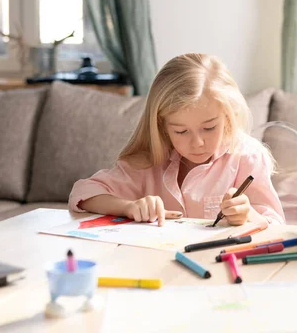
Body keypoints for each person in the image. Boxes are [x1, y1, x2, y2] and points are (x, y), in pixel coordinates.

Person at [69, 53, 285, 227]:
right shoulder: (151, 158)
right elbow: (83, 193)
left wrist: (248, 215)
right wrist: (128, 207)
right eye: (181, 131)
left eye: (209, 128)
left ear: (228, 117)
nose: (197, 142)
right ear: (162, 126)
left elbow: (278, 225)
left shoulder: (246, 157)